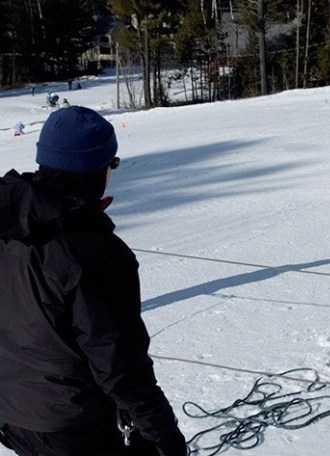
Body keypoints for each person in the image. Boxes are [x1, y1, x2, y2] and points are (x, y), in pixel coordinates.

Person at [0, 106, 187, 456]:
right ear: (97, 169)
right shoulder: (90, 252)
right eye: (111, 164)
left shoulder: (10, 219)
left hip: (14, 412)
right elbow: (118, 362)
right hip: (70, 424)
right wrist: (162, 434)